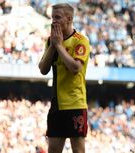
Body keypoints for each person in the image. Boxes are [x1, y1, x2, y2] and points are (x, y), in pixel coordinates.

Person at [38, 3, 90, 153]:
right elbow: (43, 69)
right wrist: (54, 45)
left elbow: (75, 68)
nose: (53, 21)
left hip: (75, 103)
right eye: (52, 17)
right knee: (53, 149)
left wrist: (59, 46)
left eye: (57, 17)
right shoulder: (51, 41)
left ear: (69, 19)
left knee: (78, 150)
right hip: (57, 104)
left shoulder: (81, 40)